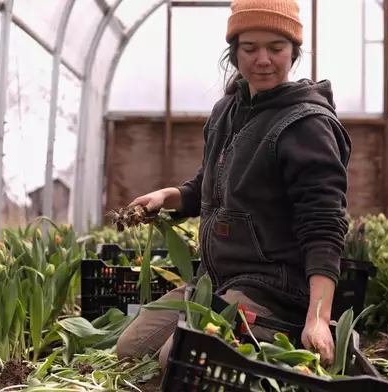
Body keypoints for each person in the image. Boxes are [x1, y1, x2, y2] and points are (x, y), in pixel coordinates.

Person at [115, 0, 352, 371]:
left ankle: (279, 337)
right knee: (130, 350)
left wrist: (318, 318)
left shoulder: (306, 125)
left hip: (275, 288)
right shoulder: (227, 111)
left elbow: (323, 227)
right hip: (218, 282)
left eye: (276, 48)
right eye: (249, 48)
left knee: (177, 361)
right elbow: (208, 188)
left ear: (294, 51)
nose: (262, 60)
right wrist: (167, 196)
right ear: (234, 51)